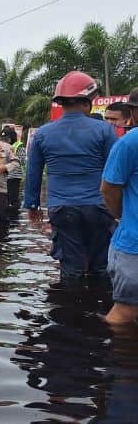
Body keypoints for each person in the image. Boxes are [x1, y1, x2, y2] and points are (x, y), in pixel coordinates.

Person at [24, 71, 117, 280]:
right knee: (101, 267)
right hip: (98, 207)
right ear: (87, 102)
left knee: (71, 269)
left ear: (62, 102)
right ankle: (101, 309)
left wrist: (32, 205)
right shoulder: (104, 130)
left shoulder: (42, 134)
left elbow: (33, 173)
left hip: (61, 207)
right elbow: (115, 172)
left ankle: (69, 309)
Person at [102, 87, 138, 325]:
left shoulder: (129, 143)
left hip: (133, 245)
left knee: (124, 313)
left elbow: (108, 189)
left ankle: (118, 360)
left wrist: (121, 216)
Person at [0, 125, 26, 210]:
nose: (4, 141)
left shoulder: (19, 146)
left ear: (12, 137)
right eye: (2, 138)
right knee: (4, 199)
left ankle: (14, 218)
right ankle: (6, 217)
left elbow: (22, 161)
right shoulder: (2, 147)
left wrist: (9, 162)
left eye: (6, 138)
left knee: (13, 199)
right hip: (4, 176)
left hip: (14, 176)